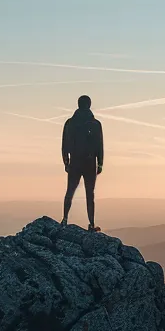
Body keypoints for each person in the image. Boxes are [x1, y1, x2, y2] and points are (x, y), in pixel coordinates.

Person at [60, 94, 104, 231]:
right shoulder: (95, 124)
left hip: (74, 162)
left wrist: (66, 162)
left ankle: (64, 219)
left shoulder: (70, 123)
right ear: (89, 105)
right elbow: (99, 144)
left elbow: (64, 144)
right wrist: (100, 163)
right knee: (90, 194)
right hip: (90, 162)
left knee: (70, 191)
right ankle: (91, 224)